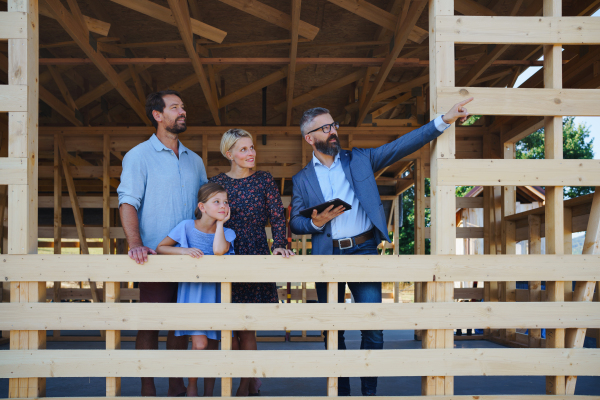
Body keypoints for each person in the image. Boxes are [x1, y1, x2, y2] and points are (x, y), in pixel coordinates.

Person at [289, 98, 473, 396]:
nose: (333, 130)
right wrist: (316, 222)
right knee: (333, 331)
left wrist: (445, 120)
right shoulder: (301, 179)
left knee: (373, 327)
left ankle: (369, 393)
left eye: (334, 124)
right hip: (327, 256)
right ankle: (341, 393)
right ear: (310, 138)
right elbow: (296, 223)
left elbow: (402, 145)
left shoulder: (360, 158)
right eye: (325, 128)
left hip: (364, 251)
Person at [117, 90, 207, 396]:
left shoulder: (195, 161)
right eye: (174, 107)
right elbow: (127, 203)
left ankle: (175, 387)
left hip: (191, 257)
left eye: (183, 106)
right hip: (154, 256)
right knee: (151, 324)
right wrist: (135, 243)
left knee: (180, 324)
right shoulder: (138, 156)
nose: (182, 111)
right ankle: (147, 389)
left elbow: (204, 208)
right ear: (158, 115)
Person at [210, 128, 295, 396]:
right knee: (227, 329)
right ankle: (246, 378)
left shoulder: (264, 180)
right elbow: (206, 218)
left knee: (247, 329)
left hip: (256, 252)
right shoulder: (216, 182)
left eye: (252, 148)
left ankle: (245, 388)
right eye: (243, 149)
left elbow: (278, 216)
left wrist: (280, 244)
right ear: (229, 154)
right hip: (225, 253)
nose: (251, 153)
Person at [156, 182, 235, 397]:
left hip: (217, 294)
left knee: (212, 348)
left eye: (225, 202)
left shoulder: (228, 232)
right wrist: (184, 251)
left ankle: (208, 393)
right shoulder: (186, 227)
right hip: (193, 292)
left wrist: (220, 224)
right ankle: (192, 386)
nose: (222, 206)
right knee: (199, 344)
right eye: (216, 202)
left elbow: (219, 251)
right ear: (202, 206)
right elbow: (161, 248)